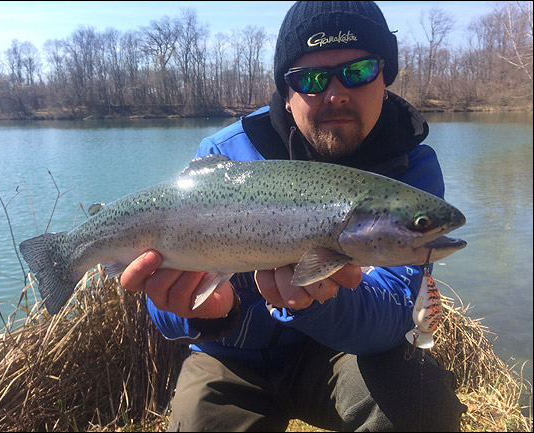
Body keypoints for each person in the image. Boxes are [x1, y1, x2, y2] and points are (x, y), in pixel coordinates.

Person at [121, 1, 467, 431]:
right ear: (287, 93)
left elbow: (392, 314)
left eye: (358, 71)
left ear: (386, 78)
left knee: (420, 406)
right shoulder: (226, 154)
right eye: (311, 79)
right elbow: (167, 310)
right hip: (231, 360)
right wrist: (207, 309)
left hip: (340, 358)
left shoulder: (409, 171)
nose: (335, 93)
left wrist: (314, 301)